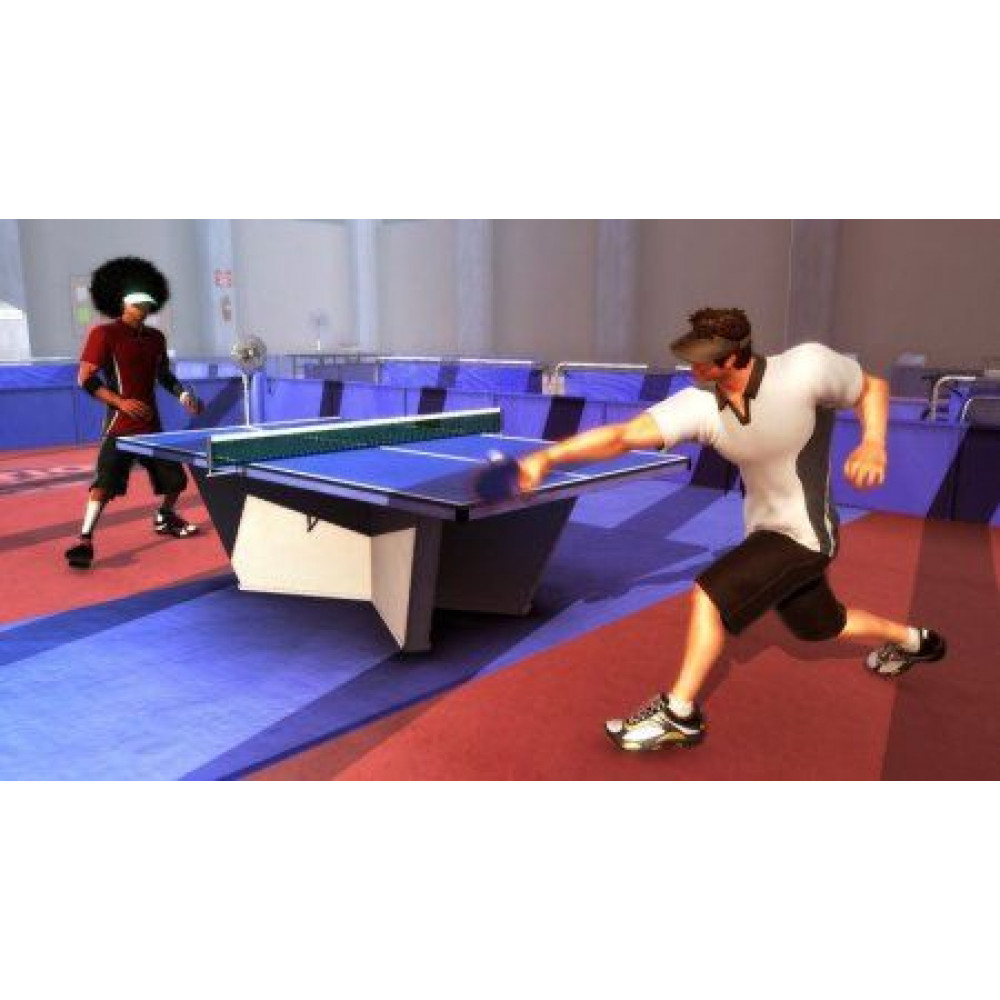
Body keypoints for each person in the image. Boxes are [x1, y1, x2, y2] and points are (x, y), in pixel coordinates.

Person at [515, 307, 947, 751]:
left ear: (734, 357)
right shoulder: (701, 406)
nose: (692, 364)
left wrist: (873, 442)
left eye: (703, 358)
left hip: (806, 534)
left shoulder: (804, 370)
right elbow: (623, 436)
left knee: (709, 595)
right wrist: (548, 457)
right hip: (764, 530)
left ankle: (679, 714)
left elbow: (872, 387)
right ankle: (917, 641)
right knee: (822, 626)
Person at [64, 257, 203, 570]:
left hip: (152, 426)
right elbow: (85, 378)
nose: (144, 307)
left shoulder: (156, 338)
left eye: (148, 303)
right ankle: (85, 539)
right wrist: (120, 402)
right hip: (120, 426)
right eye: (139, 302)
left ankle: (164, 516)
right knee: (104, 484)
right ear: (125, 303)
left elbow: (163, 375)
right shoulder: (104, 333)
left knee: (176, 481)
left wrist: (183, 395)